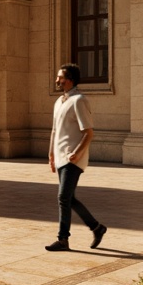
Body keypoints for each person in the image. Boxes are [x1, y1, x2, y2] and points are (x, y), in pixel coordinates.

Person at [46, 63, 107, 252]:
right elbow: (55, 130)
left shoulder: (79, 100)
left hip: (73, 158)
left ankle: (63, 239)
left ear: (69, 79)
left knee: (63, 197)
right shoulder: (59, 101)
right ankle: (97, 227)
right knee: (68, 198)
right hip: (60, 156)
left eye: (60, 77)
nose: (57, 80)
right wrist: (50, 154)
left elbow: (88, 133)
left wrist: (77, 153)